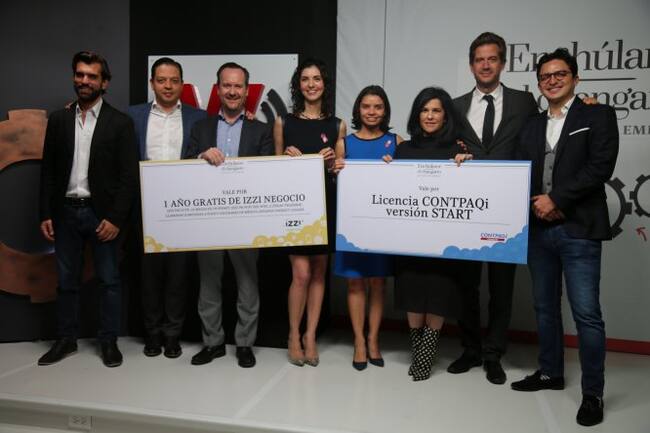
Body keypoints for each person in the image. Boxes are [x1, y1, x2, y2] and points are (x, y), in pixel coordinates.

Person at [511, 48, 618, 427]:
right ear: (538, 84)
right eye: (545, 76)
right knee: (544, 307)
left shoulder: (597, 115)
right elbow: (519, 169)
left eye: (560, 74)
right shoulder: (531, 124)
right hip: (539, 230)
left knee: (587, 314)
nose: (552, 80)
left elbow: (600, 166)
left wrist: (557, 199)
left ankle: (593, 393)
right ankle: (550, 373)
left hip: (579, 230)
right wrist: (537, 204)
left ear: (575, 78)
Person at [38, 51, 139, 367]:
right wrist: (45, 213)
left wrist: (116, 219)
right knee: (66, 281)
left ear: (104, 83)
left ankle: (108, 341)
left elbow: (128, 177)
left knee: (109, 281)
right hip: (65, 213)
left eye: (92, 76)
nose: (84, 81)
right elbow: (48, 171)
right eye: (80, 74)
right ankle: (66, 340)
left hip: (102, 216)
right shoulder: (59, 120)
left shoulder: (120, 123)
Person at [449, 32, 539, 384]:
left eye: (492, 59)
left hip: (506, 211)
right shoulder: (455, 106)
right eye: (479, 59)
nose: (485, 65)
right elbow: (442, 147)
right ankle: (471, 349)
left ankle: (493, 353)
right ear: (471, 65)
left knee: (502, 287)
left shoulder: (524, 102)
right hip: (466, 210)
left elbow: (542, 136)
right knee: (465, 285)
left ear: (502, 63)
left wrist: (587, 107)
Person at [185, 62, 273, 368]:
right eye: (227, 85)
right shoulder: (201, 128)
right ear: (218, 89)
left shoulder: (261, 130)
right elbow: (184, 166)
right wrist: (200, 156)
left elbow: (267, 173)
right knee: (208, 283)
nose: (232, 91)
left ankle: (245, 344)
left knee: (248, 284)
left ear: (247, 91)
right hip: (208, 219)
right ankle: (213, 343)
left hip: (246, 221)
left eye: (238, 86)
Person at [388, 87, 472, 381]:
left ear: (446, 115)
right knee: (412, 291)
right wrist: (385, 171)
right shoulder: (402, 150)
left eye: (436, 110)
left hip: (443, 242)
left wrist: (467, 166)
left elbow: (468, 192)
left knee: (438, 293)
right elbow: (393, 191)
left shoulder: (456, 150)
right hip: (409, 239)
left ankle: (427, 352)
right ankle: (417, 350)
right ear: (417, 115)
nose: (430, 116)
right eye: (425, 110)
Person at [128, 57, 207, 358]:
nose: (168, 86)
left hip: (182, 208)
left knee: (178, 276)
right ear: (152, 83)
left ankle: (172, 335)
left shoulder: (199, 118)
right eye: (161, 80)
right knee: (148, 276)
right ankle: (152, 334)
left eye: (174, 80)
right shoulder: (132, 116)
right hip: (145, 208)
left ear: (182, 84)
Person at [273, 58, 346, 366]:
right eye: (305, 79)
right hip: (295, 207)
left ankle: (311, 336)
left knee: (318, 273)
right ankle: (293, 335)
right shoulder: (283, 122)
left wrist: (332, 164)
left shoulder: (337, 125)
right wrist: (284, 159)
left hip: (325, 205)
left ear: (324, 84)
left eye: (317, 79)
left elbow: (340, 172)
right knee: (301, 274)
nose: (311, 84)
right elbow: (273, 170)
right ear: (298, 85)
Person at [332, 85, 402, 370]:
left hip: (383, 226)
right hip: (352, 225)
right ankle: (359, 341)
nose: (372, 112)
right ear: (358, 110)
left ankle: (374, 340)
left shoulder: (396, 142)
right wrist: (335, 172)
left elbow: (406, 186)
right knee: (355, 282)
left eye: (378, 107)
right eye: (366, 106)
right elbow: (336, 184)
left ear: (385, 111)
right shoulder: (344, 144)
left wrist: (397, 169)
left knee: (378, 282)